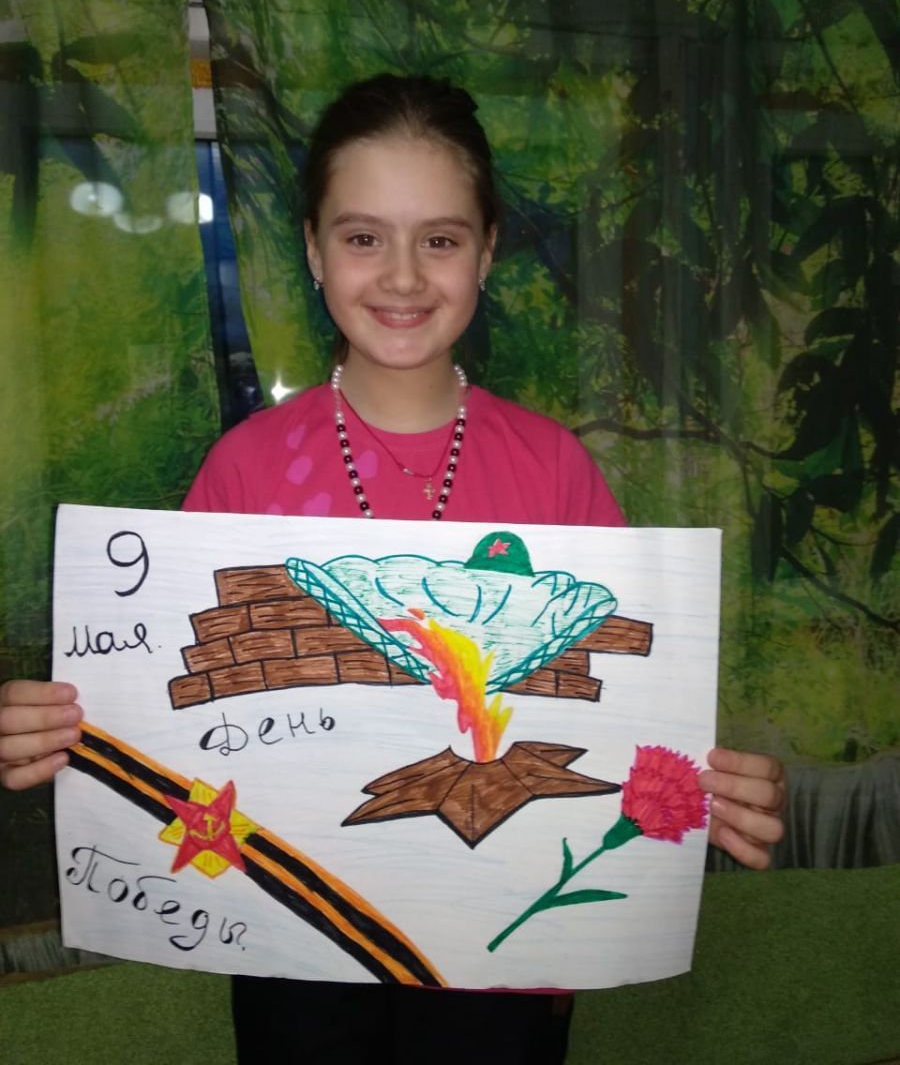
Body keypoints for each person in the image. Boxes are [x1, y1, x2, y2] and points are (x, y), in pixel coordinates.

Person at [0, 74, 785, 1063]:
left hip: (501, 955)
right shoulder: (245, 470)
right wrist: (66, 731)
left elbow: (623, 707)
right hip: (295, 946)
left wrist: (708, 786)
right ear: (314, 250)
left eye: (441, 240)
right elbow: (169, 706)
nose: (403, 277)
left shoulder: (553, 469)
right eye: (364, 236)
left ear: (487, 251)